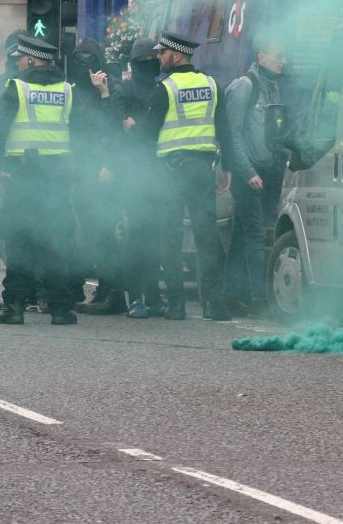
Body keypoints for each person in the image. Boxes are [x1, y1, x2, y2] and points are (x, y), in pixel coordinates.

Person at [0, 34, 79, 326]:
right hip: (57, 178)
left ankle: (14, 307)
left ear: (31, 60)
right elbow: (82, 135)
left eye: (20, 60)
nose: (18, 64)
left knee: (20, 241)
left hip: (22, 176)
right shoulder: (67, 91)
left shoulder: (17, 89)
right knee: (56, 242)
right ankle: (60, 309)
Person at [143, 31, 230, 320]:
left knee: (170, 237)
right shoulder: (212, 85)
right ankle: (213, 304)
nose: (159, 57)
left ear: (176, 56)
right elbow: (225, 130)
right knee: (207, 237)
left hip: (171, 173)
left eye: (162, 53)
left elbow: (148, 135)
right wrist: (225, 168)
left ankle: (177, 305)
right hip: (202, 170)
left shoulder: (165, 89)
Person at [223, 36, 288, 317]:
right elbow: (233, 135)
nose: (282, 61)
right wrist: (247, 172)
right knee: (255, 233)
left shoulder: (272, 87)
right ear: (260, 57)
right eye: (278, 55)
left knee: (239, 236)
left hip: (263, 172)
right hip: (246, 172)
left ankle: (228, 295)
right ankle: (259, 300)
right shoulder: (245, 87)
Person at [101, 38, 166, 318]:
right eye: (144, 62)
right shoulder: (125, 90)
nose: (148, 66)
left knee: (152, 238)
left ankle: (150, 296)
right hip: (133, 172)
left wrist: (134, 128)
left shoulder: (162, 90)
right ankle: (137, 297)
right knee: (136, 237)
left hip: (155, 171)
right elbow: (114, 128)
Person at [69, 39, 127, 316]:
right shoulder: (75, 90)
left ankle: (113, 293)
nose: (82, 65)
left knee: (104, 234)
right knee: (93, 235)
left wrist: (110, 163)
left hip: (104, 172)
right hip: (83, 169)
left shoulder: (112, 88)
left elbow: (115, 129)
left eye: (87, 59)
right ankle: (103, 290)